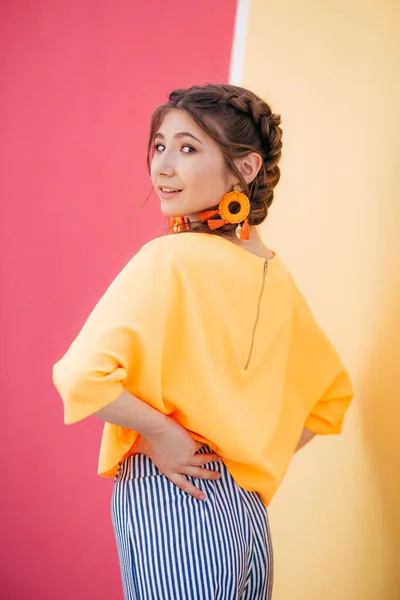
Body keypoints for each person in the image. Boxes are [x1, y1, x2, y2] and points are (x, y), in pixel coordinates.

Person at [52, 83, 354, 600]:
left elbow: (80, 375)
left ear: (248, 168)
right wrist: (246, 452)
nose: (163, 167)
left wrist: (163, 434)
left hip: (176, 493)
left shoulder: (168, 258)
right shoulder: (275, 276)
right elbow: (329, 399)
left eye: (188, 148)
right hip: (248, 517)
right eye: (160, 145)